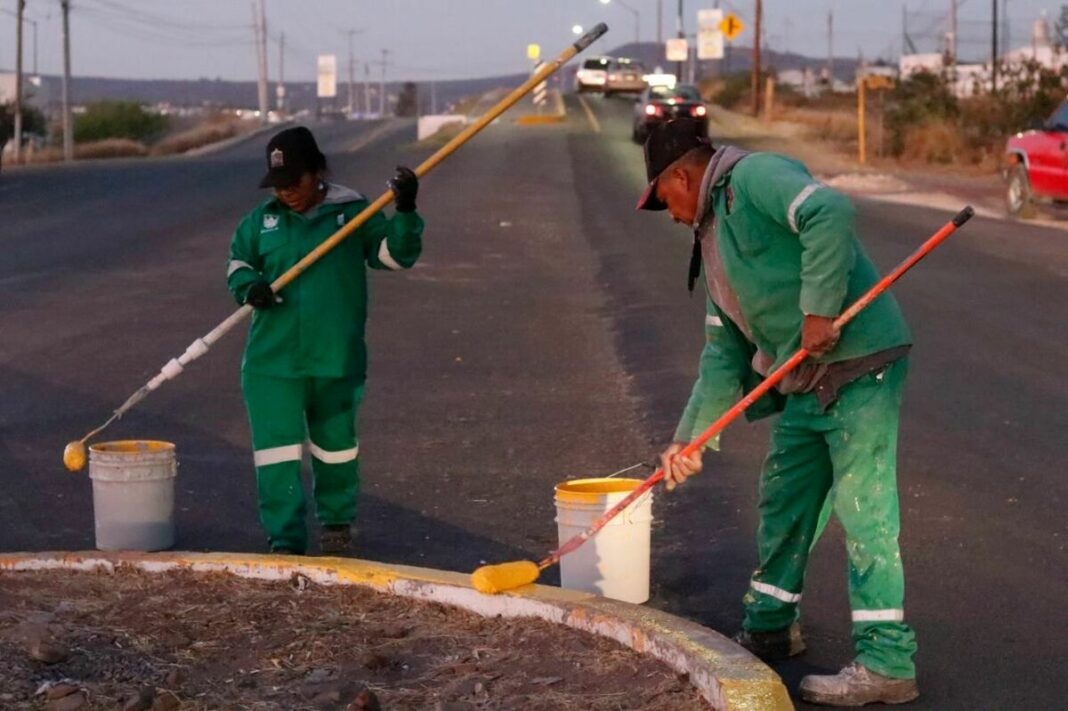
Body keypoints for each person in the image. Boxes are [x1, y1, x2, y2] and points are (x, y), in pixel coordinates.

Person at [638, 119, 919, 706]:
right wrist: (688, 440)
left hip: (861, 361)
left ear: (682, 177)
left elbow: (830, 212)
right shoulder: (714, 245)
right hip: (806, 380)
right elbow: (723, 354)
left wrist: (818, 309)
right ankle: (770, 626)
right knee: (785, 496)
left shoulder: (756, 176)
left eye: (663, 198)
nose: (667, 214)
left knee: (863, 507)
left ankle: (888, 661)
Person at [226, 126, 423, 556]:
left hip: (337, 356)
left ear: (317, 172)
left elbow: (394, 255)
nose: (286, 193)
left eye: (293, 182)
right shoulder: (261, 221)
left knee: (335, 447)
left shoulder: (352, 212)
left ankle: (336, 522)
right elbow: (238, 264)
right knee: (276, 454)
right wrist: (250, 286)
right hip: (271, 363)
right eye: (277, 185)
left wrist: (405, 210)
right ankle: (285, 540)